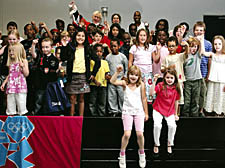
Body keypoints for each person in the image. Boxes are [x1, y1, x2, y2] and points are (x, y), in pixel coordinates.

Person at [110, 65, 148, 168]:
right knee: (127, 134)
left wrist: (146, 113)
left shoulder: (141, 85)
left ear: (139, 76)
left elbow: (144, 99)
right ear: (128, 74)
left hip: (139, 112)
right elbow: (112, 81)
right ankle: (122, 154)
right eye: (131, 74)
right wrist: (117, 72)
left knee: (140, 134)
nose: (133, 77)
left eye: (136, 75)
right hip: (127, 112)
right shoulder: (124, 83)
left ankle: (142, 153)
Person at [60, 27, 100, 116]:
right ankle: (71, 119)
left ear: (85, 37)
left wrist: (93, 74)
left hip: (83, 77)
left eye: (83, 36)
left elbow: (98, 61)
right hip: (72, 77)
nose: (80, 38)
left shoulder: (88, 48)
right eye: (78, 35)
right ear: (75, 36)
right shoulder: (70, 47)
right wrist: (64, 46)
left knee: (81, 98)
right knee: (72, 98)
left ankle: (80, 119)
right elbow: (63, 58)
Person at [150, 67, 180, 157]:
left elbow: (176, 101)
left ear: (174, 78)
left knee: (172, 125)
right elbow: (151, 93)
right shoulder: (160, 85)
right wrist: (154, 81)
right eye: (167, 77)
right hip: (158, 109)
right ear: (164, 78)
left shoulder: (176, 88)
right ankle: (156, 144)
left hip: (169, 110)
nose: (169, 80)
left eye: (171, 78)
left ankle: (169, 143)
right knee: (157, 125)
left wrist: (176, 114)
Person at [129, 28, 160, 103]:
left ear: (147, 37)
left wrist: (158, 50)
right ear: (137, 37)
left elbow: (156, 59)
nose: (142, 37)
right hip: (137, 74)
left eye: (144, 35)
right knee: (137, 93)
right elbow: (130, 61)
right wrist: (130, 73)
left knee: (148, 93)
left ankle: (148, 110)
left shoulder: (151, 47)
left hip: (148, 74)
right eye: (140, 35)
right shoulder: (133, 48)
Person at [31, 38, 59, 115]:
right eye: (43, 47)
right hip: (40, 85)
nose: (45, 49)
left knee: (50, 102)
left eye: (47, 47)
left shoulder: (54, 59)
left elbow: (55, 70)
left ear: (51, 47)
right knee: (39, 101)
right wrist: (33, 45)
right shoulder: (40, 57)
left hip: (50, 85)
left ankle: (50, 116)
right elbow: (33, 55)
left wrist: (49, 70)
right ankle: (37, 115)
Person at [1, 43, 29, 115]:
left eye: (13, 51)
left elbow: (26, 74)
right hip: (11, 86)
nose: (11, 53)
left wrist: (22, 67)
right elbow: (10, 74)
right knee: (10, 102)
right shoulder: (10, 63)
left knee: (21, 102)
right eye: (9, 51)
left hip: (20, 86)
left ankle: (22, 115)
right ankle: (11, 114)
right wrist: (4, 83)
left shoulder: (23, 61)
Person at [161, 36, 189, 108]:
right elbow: (162, 69)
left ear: (177, 46)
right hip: (169, 82)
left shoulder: (180, 56)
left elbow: (186, 54)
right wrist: (169, 68)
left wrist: (186, 46)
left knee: (179, 98)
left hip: (179, 80)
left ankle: (177, 113)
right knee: (170, 98)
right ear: (167, 47)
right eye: (169, 46)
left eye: (173, 46)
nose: (171, 48)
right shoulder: (166, 58)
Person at [182, 37, 206, 117]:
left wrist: (201, 41)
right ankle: (185, 115)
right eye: (191, 46)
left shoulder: (197, 56)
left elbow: (201, 51)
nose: (193, 49)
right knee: (187, 100)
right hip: (188, 81)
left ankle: (194, 115)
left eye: (195, 46)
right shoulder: (185, 56)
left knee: (195, 99)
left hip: (197, 80)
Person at [193, 21, 212, 115]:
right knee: (193, 94)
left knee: (202, 93)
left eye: (201, 30)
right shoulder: (191, 42)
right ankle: (194, 111)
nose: (199, 32)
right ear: (194, 31)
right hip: (192, 73)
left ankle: (201, 110)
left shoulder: (208, 44)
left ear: (204, 31)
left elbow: (209, 60)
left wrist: (209, 74)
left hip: (203, 72)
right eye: (197, 30)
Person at [203, 35, 225, 116]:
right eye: (215, 44)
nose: (217, 46)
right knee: (212, 96)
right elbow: (203, 53)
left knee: (220, 97)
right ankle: (213, 113)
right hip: (213, 79)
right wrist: (201, 40)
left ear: (223, 44)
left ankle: (220, 113)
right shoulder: (212, 55)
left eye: (219, 44)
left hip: (222, 80)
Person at [106, 38, 128, 116]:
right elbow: (106, 67)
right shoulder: (108, 57)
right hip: (112, 79)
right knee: (111, 96)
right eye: (111, 46)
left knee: (122, 95)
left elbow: (127, 68)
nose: (113, 48)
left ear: (119, 46)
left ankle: (122, 110)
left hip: (120, 80)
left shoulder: (123, 57)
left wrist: (125, 76)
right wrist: (107, 74)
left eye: (115, 46)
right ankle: (113, 111)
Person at [89, 43, 110, 116]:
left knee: (102, 102)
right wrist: (95, 81)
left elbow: (107, 72)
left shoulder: (105, 62)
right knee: (92, 102)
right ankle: (93, 115)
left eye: (100, 51)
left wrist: (107, 76)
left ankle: (101, 116)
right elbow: (91, 74)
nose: (99, 53)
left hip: (103, 85)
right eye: (97, 51)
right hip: (93, 85)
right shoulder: (91, 62)